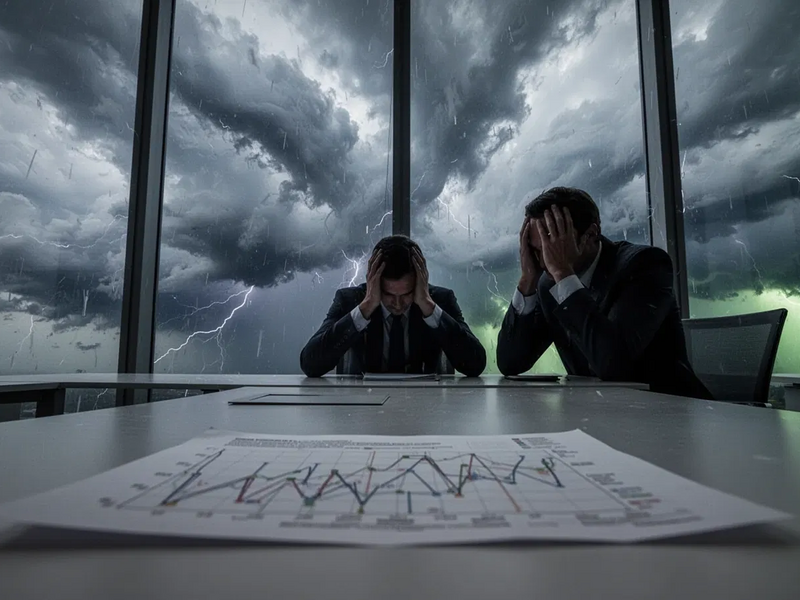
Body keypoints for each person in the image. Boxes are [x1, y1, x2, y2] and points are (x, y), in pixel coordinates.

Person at [496, 186, 712, 399]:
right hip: (598, 411)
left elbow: (613, 365)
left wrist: (563, 274)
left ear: (591, 234)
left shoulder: (645, 265)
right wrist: (527, 281)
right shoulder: (548, 285)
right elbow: (510, 363)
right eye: (534, 248)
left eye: (551, 244)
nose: (543, 260)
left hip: (670, 408)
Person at [301, 235, 486, 377]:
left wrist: (428, 306)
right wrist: (366, 306)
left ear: (420, 281)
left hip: (425, 405)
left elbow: (475, 365)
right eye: (388, 294)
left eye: (406, 294)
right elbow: (310, 364)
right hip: (363, 405)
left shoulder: (441, 300)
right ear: (373, 282)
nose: (397, 304)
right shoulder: (350, 300)